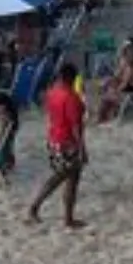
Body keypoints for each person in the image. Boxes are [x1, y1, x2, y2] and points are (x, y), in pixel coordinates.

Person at [26, 61, 86, 229]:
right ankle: (37, 208)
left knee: (66, 177)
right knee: (64, 178)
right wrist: (82, 148)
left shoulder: (52, 93)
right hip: (68, 142)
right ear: (72, 78)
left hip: (54, 139)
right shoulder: (71, 97)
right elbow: (76, 127)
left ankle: (66, 217)